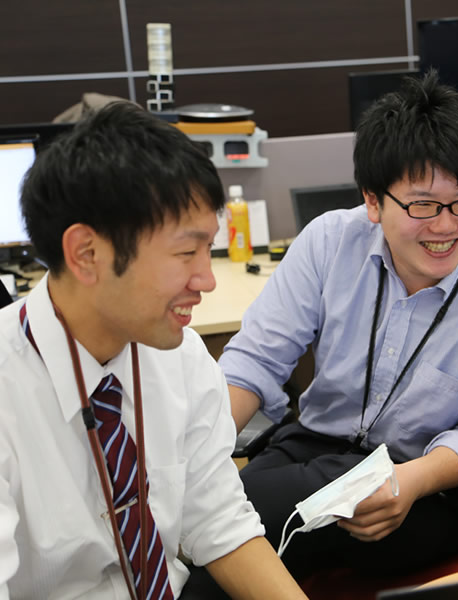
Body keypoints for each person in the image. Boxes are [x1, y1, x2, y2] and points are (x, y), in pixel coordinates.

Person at [219, 70, 458, 578]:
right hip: (311, 448)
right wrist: (202, 454)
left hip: (426, 488)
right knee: (213, 513)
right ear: (373, 201)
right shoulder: (329, 242)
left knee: (224, 526)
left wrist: (411, 481)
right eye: (423, 205)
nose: (446, 225)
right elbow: (256, 361)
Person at [0, 102, 306, 599]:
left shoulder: (179, 356)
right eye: (186, 253)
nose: (206, 279)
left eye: (208, 250)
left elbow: (219, 520)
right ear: (86, 253)